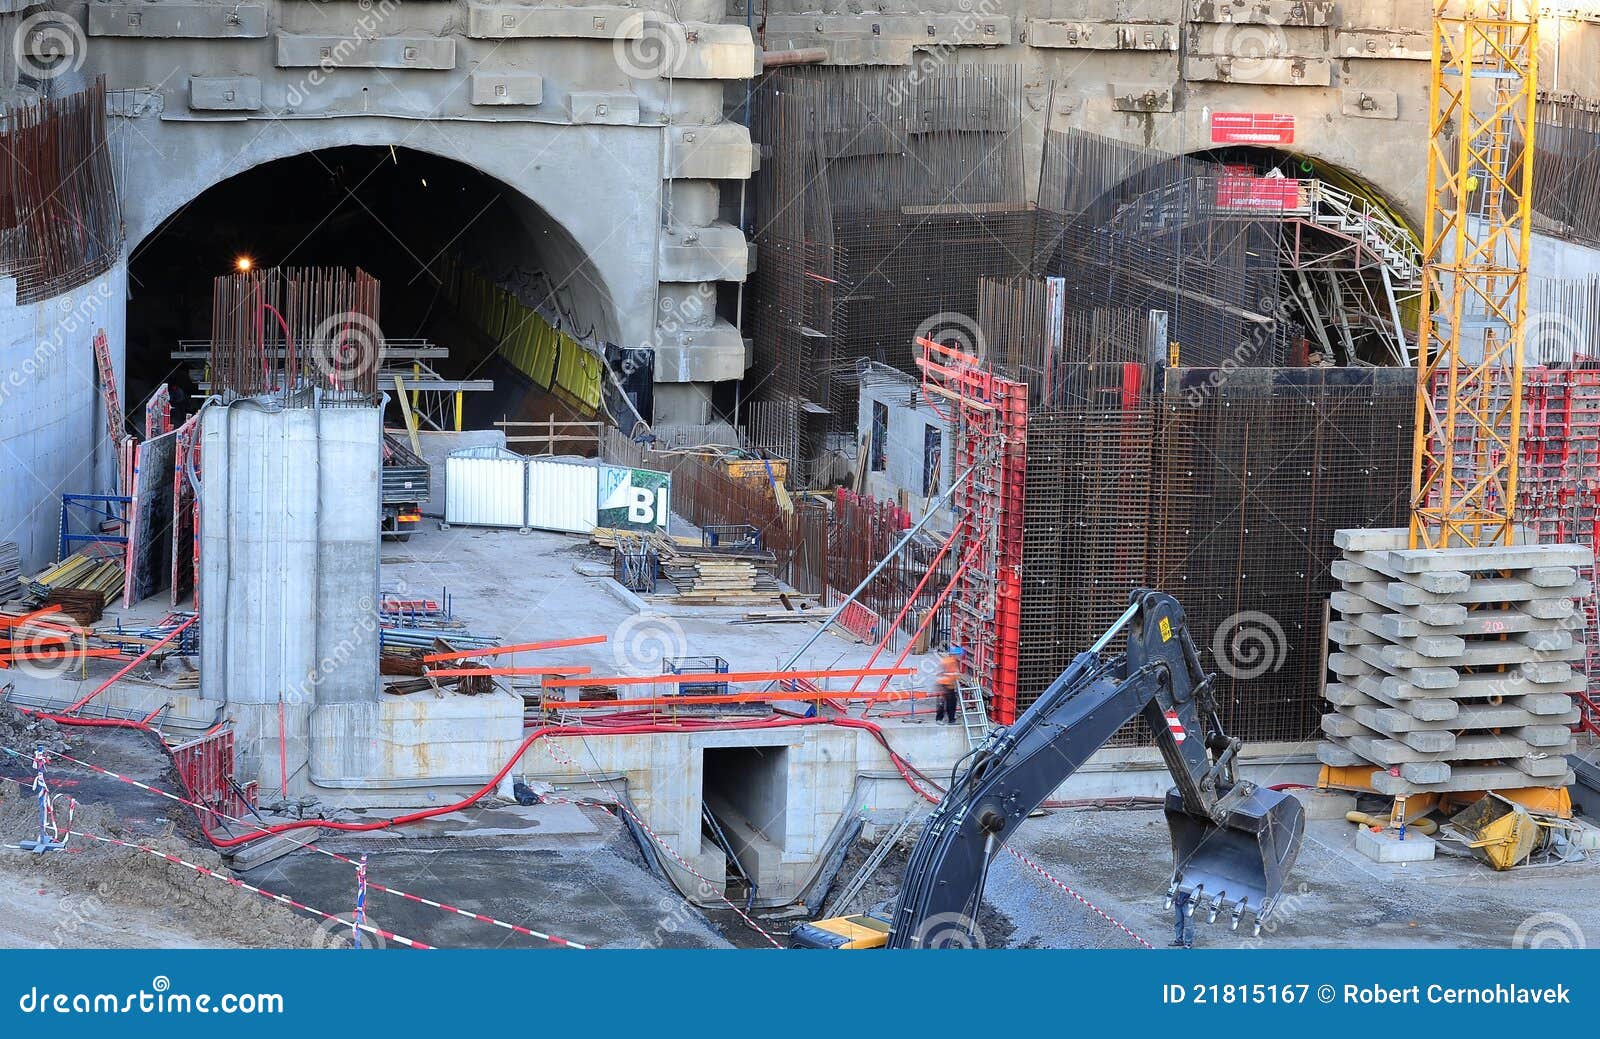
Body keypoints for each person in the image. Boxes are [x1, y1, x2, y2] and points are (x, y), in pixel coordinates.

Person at [934, 646, 964, 725]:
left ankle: (948, 719)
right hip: (944, 685)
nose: (960, 656)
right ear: (955, 654)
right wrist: (956, 675)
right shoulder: (949, 661)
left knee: (949, 702)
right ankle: (944, 719)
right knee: (945, 703)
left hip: (947, 685)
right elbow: (941, 673)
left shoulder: (951, 661)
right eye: (959, 654)